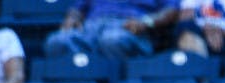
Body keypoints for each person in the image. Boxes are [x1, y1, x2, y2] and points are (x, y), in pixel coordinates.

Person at [44, 0, 180, 60]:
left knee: (111, 40)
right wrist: (72, 18)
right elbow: (77, 8)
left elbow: (171, 11)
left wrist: (146, 22)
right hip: (91, 26)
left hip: (129, 26)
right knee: (57, 41)